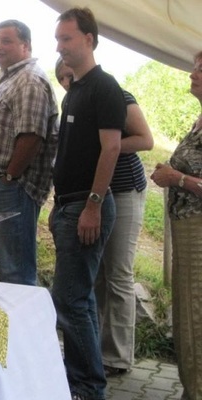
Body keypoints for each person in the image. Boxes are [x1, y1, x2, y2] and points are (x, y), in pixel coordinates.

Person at [55, 58, 154, 377]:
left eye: (70, 76)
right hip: (89, 195)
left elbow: (146, 139)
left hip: (123, 191)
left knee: (119, 274)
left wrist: (103, 146)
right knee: (94, 276)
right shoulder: (75, 100)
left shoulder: (116, 95)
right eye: (62, 79)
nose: (68, 83)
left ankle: (117, 356)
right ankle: (93, 352)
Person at [51, 8, 125, 400]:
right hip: (68, 205)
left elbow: (111, 148)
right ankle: (79, 379)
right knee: (75, 297)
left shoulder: (104, 87)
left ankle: (88, 387)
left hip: (87, 205)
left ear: (89, 39)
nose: (60, 46)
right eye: (58, 39)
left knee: (70, 298)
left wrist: (93, 205)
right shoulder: (76, 89)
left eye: (67, 38)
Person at [0, 19, 59, 285]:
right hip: (3, 186)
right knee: (9, 265)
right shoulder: (14, 77)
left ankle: (24, 325)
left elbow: (31, 136)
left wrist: (9, 176)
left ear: (25, 46)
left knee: (16, 269)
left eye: (6, 41)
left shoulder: (29, 80)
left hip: (14, 188)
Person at [150, 51, 202, 400]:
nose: (192, 72)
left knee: (196, 317)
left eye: (201, 67)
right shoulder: (199, 120)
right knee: (185, 317)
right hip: (186, 230)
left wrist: (178, 177)